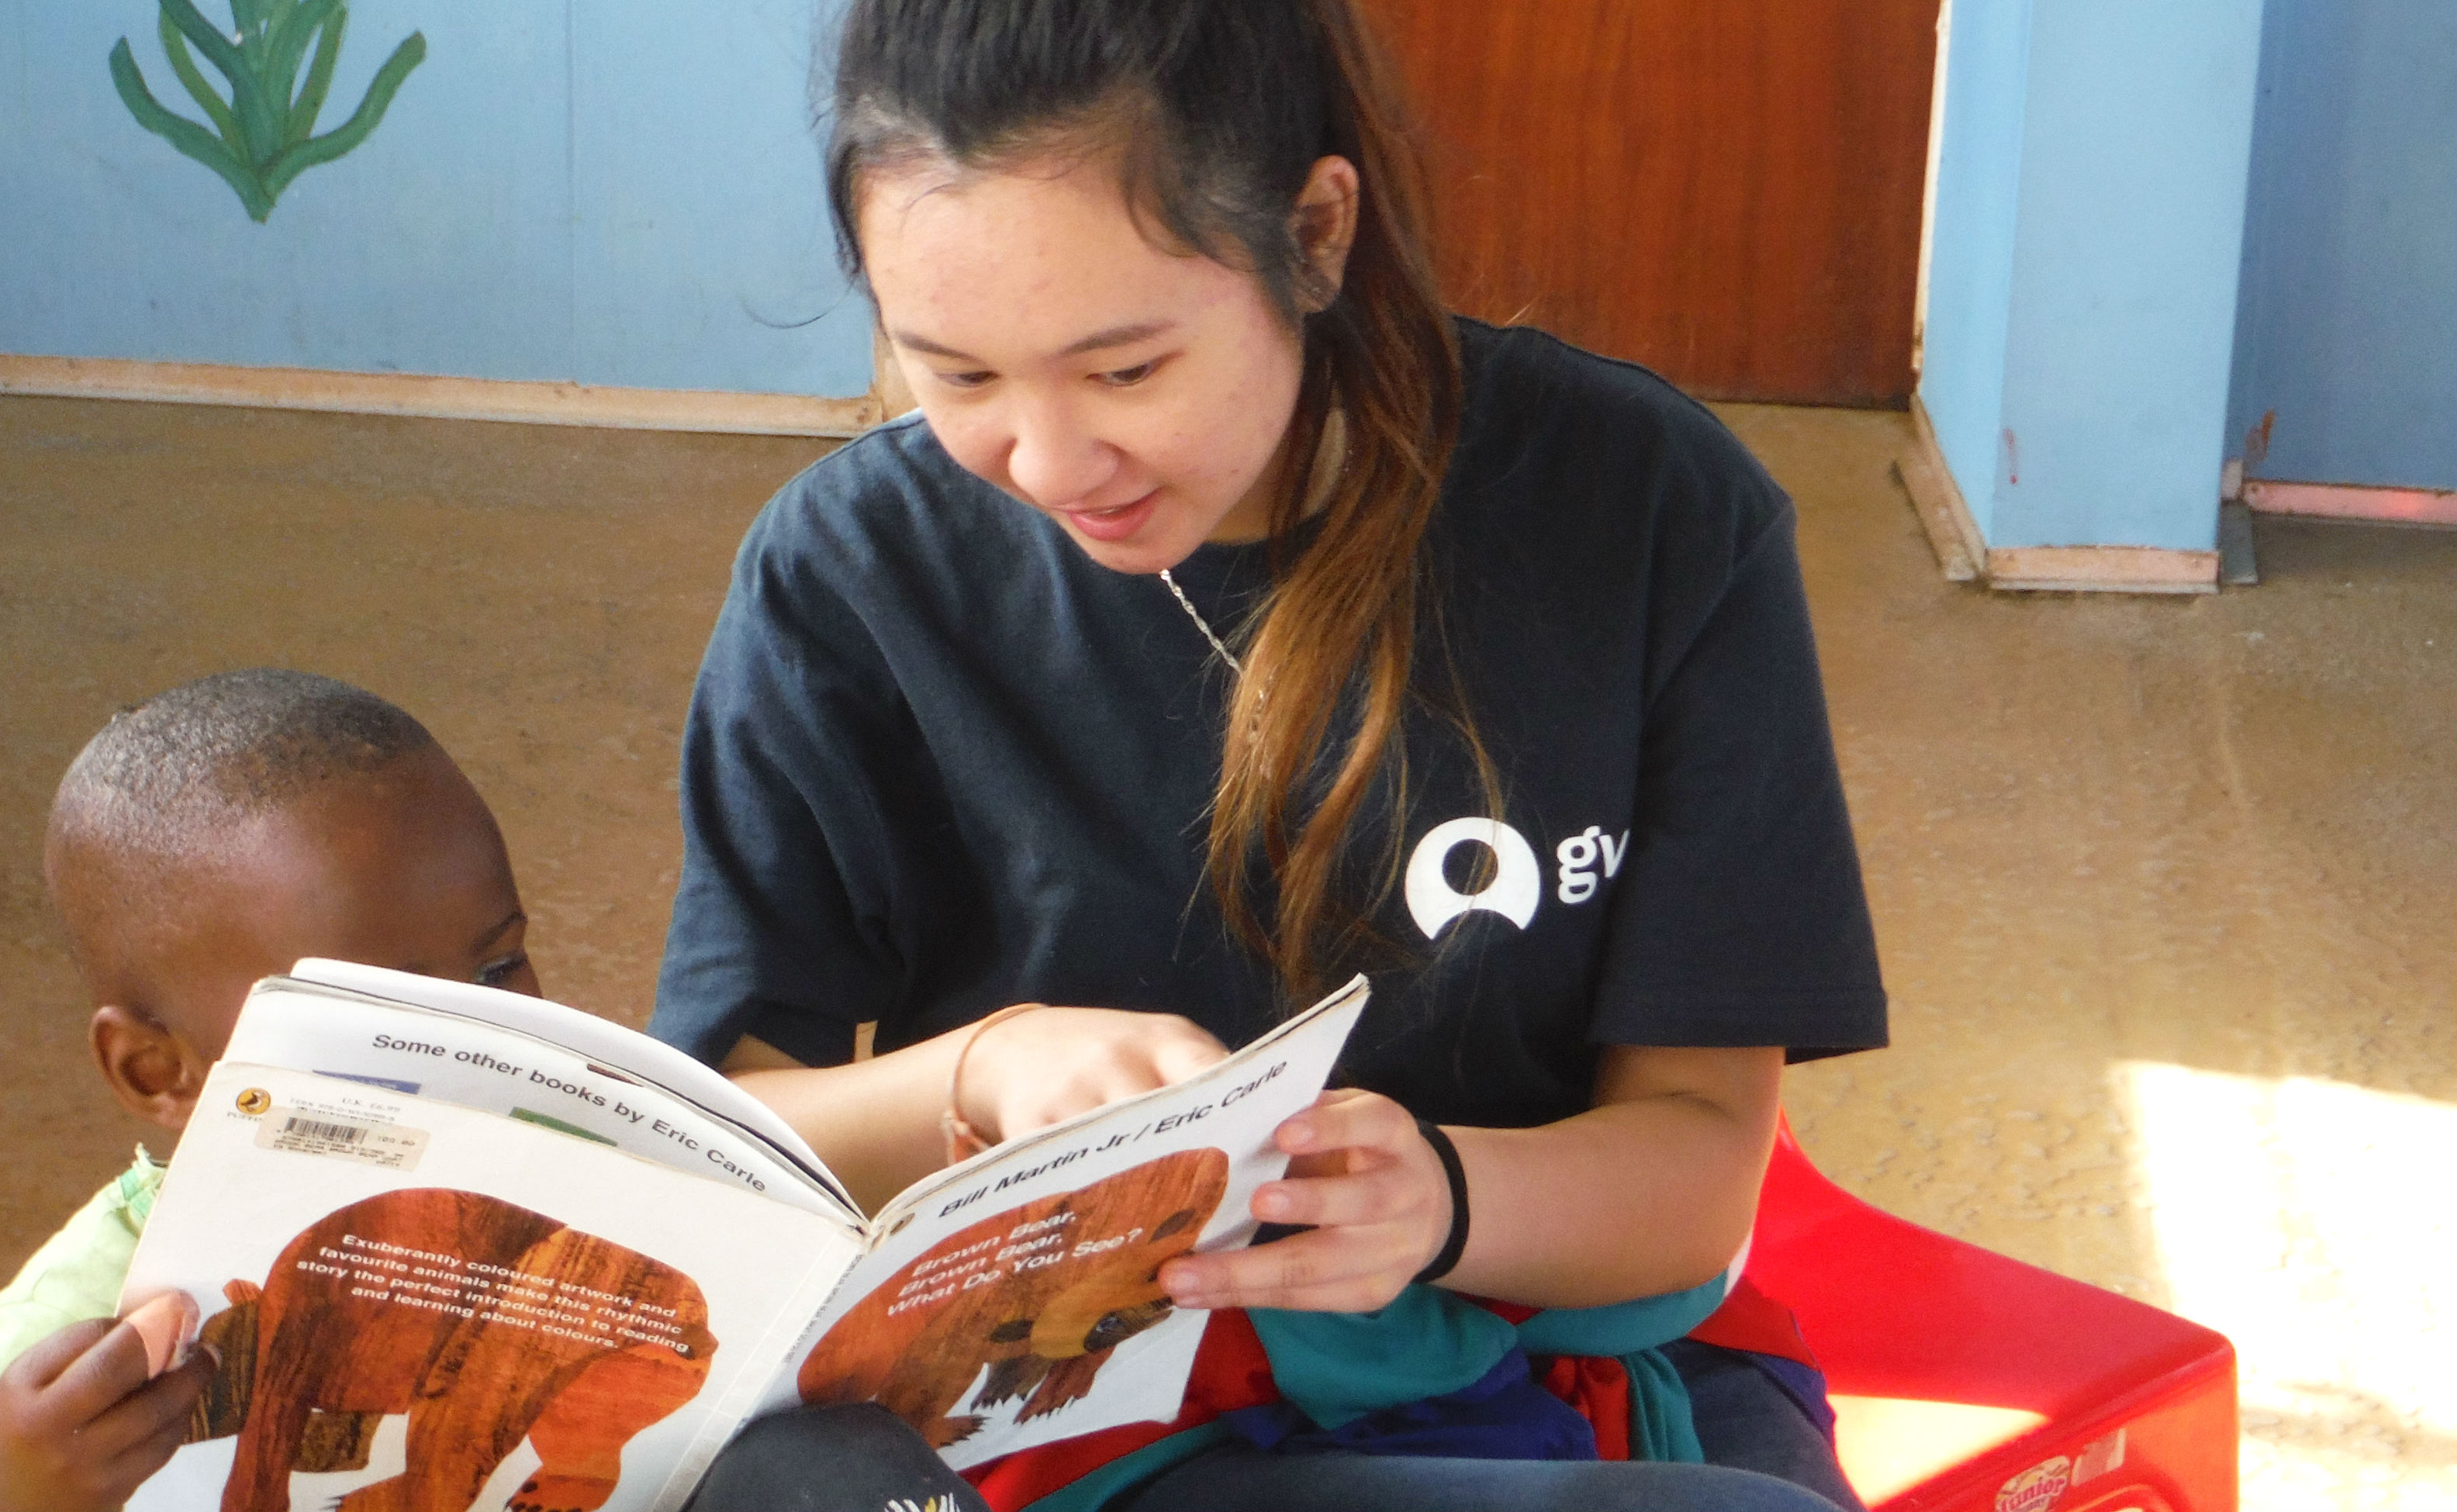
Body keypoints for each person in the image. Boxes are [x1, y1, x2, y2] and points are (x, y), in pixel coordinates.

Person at [655, 2, 1888, 1509]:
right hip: (1053, 1392)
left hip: (1533, 1347)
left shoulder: (1645, 515)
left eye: (1124, 372)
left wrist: (1438, 1202)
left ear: (1315, 232)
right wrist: (981, 1073)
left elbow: (1694, 1173)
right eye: (957, 376)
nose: (1045, 463)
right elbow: (724, 1142)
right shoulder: (848, 577)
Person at [0, 669, 547, 1512]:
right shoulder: (83, 1331)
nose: (478, 1046)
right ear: (159, 1072)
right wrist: (24, 1493)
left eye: (497, 967)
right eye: (376, 1021)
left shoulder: (555, 1184)